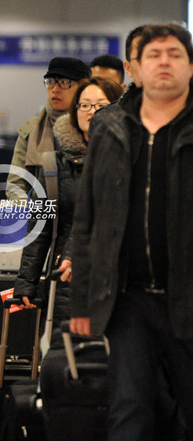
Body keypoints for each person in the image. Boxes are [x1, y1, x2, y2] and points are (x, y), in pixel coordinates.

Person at [70, 24, 193, 441]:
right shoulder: (111, 126)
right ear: (136, 67)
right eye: (154, 55)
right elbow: (88, 217)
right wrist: (83, 301)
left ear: (190, 66)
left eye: (174, 54)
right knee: (129, 410)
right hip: (129, 298)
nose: (164, 62)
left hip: (188, 295)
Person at [13, 78, 123, 332]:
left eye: (100, 105)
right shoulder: (53, 165)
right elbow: (39, 226)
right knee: (65, 347)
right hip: (65, 278)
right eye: (84, 105)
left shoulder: (127, 160)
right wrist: (26, 282)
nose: (92, 112)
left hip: (115, 277)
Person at [6, 57, 91, 201]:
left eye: (64, 82)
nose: (55, 89)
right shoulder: (32, 130)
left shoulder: (92, 126)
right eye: (50, 82)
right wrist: (30, 212)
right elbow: (16, 184)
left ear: (82, 87)